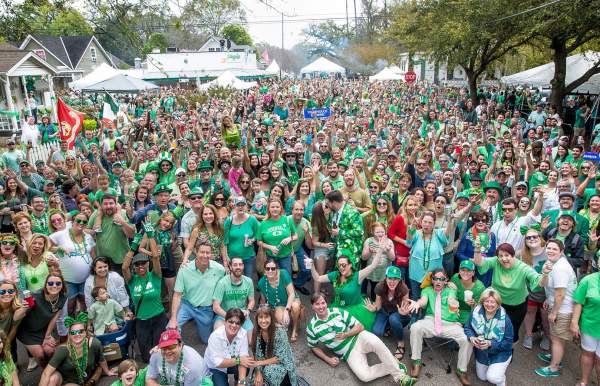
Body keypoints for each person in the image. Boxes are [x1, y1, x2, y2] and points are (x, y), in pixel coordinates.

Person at [306, 292, 416, 386]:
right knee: (364, 376)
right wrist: (328, 359)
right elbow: (313, 347)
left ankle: (400, 376)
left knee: (376, 342)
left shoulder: (337, 311)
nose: (321, 307)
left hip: (358, 337)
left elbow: (360, 326)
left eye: (323, 303)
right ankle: (395, 364)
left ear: (326, 303)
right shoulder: (312, 327)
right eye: (317, 304)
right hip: (348, 353)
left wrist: (346, 334)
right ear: (312, 306)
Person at [472, 242, 550, 342]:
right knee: (494, 328)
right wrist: (477, 249)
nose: (504, 259)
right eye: (500, 256)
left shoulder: (522, 268)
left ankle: (509, 351)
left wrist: (545, 274)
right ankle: (493, 349)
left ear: (512, 255)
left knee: (512, 332)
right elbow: (480, 262)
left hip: (517, 306)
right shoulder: (496, 262)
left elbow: (540, 282)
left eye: (507, 255)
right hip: (498, 304)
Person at [407, 268, 473, 385]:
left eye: (441, 279)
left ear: (445, 281)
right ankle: (416, 361)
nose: (438, 281)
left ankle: (461, 370)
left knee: (467, 339)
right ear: (432, 280)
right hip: (431, 321)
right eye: (435, 279)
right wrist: (418, 303)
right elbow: (423, 300)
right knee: (415, 327)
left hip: (450, 323)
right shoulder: (427, 290)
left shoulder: (450, 290)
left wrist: (452, 302)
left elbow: (451, 299)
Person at [167, 237, 226, 344]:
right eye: (202, 252)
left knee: (206, 341)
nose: (205, 255)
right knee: (171, 330)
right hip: (187, 305)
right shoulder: (184, 269)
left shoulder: (219, 270)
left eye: (208, 252)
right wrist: (173, 318)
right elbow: (177, 295)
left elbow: (224, 289)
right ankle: (177, 350)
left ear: (211, 254)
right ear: (196, 252)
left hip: (206, 310)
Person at [122, 226, 165, 363]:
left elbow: (156, 258)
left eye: (144, 263)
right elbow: (124, 267)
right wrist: (134, 245)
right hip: (142, 321)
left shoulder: (155, 275)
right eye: (137, 264)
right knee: (147, 358)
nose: (141, 266)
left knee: (161, 352)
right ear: (134, 267)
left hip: (159, 318)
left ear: (148, 264)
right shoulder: (132, 280)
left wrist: (151, 236)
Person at [535, 239, 577, 377]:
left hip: (563, 309)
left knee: (557, 339)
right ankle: (555, 357)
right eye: (548, 248)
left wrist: (554, 313)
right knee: (556, 337)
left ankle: (554, 368)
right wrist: (545, 274)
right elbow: (544, 284)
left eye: (554, 249)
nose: (550, 251)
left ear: (561, 251)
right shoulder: (552, 263)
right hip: (559, 306)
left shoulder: (560, 268)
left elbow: (560, 294)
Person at [309, 253, 381, 331]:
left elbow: (373, 266)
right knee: (335, 327)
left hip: (355, 309)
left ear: (350, 265)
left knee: (352, 331)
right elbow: (318, 278)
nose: (341, 268)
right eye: (339, 265)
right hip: (339, 305)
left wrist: (380, 249)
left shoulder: (358, 276)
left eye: (343, 265)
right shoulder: (335, 275)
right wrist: (312, 266)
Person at [39, 312, 116, 385]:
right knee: (51, 379)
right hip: (62, 378)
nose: (77, 334)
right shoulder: (63, 350)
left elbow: (101, 359)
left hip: (76, 381)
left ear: (85, 332)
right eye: (73, 332)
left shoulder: (94, 344)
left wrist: (107, 372)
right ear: (69, 334)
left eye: (80, 331)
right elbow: (46, 373)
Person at [464, 288, 514, 386]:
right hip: (482, 353)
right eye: (487, 301)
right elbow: (467, 327)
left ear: (498, 304)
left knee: (493, 378)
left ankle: (502, 380)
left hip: (500, 353)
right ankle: (493, 369)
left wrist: (491, 343)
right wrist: (472, 337)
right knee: (482, 377)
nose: (489, 304)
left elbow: (508, 343)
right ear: (483, 302)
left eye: (493, 302)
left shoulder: (505, 320)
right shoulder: (475, 312)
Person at [17, 271, 67, 367]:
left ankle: (54, 370)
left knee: (50, 351)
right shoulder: (35, 296)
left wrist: (47, 336)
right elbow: (18, 316)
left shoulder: (62, 298)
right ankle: (46, 372)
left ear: (62, 285)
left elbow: (54, 319)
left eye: (58, 283)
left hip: (43, 329)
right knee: (40, 355)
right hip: (27, 332)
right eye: (50, 283)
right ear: (46, 284)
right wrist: (23, 305)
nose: (54, 286)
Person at [366, 266, 411, 361]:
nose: (392, 281)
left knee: (394, 319)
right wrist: (373, 308)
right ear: (386, 278)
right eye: (390, 278)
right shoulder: (380, 286)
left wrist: (403, 313)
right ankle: (389, 327)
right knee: (377, 331)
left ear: (399, 280)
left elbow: (405, 308)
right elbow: (378, 306)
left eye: (395, 279)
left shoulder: (404, 289)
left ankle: (401, 343)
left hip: (398, 314)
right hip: (385, 311)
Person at [205, 308, 253, 386]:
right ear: (225, 321)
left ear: (241, 325)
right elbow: (217, 363)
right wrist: (239, 360)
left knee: (245, 368)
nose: (234, 325)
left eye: (237, 323)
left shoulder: (243, 333)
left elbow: (244, 358)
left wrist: (242, 383)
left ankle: (236, 382)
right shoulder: (215, 336)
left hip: (233, 362)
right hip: (217, 368)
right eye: (231, 321)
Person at [257, 258, 302, 343]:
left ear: (277, 269)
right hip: (278, 305)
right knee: (284, 323)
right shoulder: (261, 283)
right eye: (267, 268)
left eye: (273, 268)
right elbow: (263, 300)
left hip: (291, 299)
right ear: (264, 270)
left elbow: (291, 293)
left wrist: (286, 310)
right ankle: (283, 322)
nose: (270, 271)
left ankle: (295, 328)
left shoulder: (283, 273)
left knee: (295, 306)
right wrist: (264, 314)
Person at [89, 194, 136, 273]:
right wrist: (93, 230)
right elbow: (87, 230)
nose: (108, 206)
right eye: (105, 204)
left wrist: (122, 222)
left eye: (111, 203)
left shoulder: (124, 213)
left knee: (124, 284)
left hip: (122, 260)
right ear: (101, 205)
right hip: (103, 262)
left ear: (116, 204)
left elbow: (131, 235)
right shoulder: (96, 214)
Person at [252, 304, 298, 386]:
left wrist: (259, 363)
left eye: (266, 317)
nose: (263, 321)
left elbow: (279, 358)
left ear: (271, 318)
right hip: (265, 363)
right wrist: (258, 372)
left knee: (269, 372)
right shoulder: (257, 332)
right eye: (261, 317)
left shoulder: (280, 332)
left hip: (282, 365)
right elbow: (257, 356)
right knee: (255, 380)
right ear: (257, 319)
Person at [146, 328, 211, 386]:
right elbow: (149, 380)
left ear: (181, 345)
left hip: (199, 382)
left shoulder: (192, 366)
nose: (167, 351)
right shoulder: (156, 354)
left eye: (171, 347)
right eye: (164, 348)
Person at [212, 257, 255, 341]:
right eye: (235, 265)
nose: (238, 267)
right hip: (224, 315)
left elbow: (252, 300)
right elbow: (215, 307)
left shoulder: (249, 281)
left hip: (242, 315)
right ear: (230, 267)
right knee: (219, 333)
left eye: (240, 264)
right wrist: (230, 317)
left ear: (243, 266)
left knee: (250, 341)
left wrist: (248, 311)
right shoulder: (222, 283)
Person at [257, 198, 297, 276]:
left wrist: (290, 238)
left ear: (281, 208)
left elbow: (296, 236)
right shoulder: (263, 223)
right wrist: (270, 247)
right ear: (268, 208)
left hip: (285, 256)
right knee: (271, 277)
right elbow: (259, 241)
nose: (275, 209)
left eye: (277, 207)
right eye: (272, 207)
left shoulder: (287, 220)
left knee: (286, 277)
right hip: (270, 257)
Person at [324, 190, 364, 266]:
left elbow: (359, 232)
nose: (327, 205)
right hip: (338, 249)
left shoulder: (352, 213)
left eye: (328, 203)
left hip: (350, 252)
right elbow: (333, 230)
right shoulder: (333, 211)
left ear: (334, 203)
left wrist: (340, 232)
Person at [224, 196, 259, 278]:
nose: (240, 207)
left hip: (248, 257)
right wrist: (226, 257)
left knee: (248, 280)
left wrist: (252, 240)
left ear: (246, 206)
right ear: (234, 207)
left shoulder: (252, 219)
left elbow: (258, 233)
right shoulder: (229, 221)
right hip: (233, 258)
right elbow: (225, 241)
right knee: (234, 280)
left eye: (242, 205)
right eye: (238, 205)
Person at [360, 222, 395, 301]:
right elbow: (363, 257)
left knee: (385, 290)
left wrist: (388, 250)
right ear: (372, 232)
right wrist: (369, 251)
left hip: (384, 272)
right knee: (374, 289)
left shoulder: (389, 241)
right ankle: (374, 303)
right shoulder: (369, 241)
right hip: (374, 272)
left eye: (382, 232)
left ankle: (384, 305)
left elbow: (393, 258)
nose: (380, 234)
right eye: (377, 232)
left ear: (385, 231)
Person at [450, 260, 485, 325]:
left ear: (473, 273)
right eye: (463, 270)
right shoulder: (455, 278)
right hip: (455, 309)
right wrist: (449, 285)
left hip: (469, 312)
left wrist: (473, 304)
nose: (465, 273)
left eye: (469, 270)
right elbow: (449, 293)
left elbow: (482, 308)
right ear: (459, 271)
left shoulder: (479, 287)